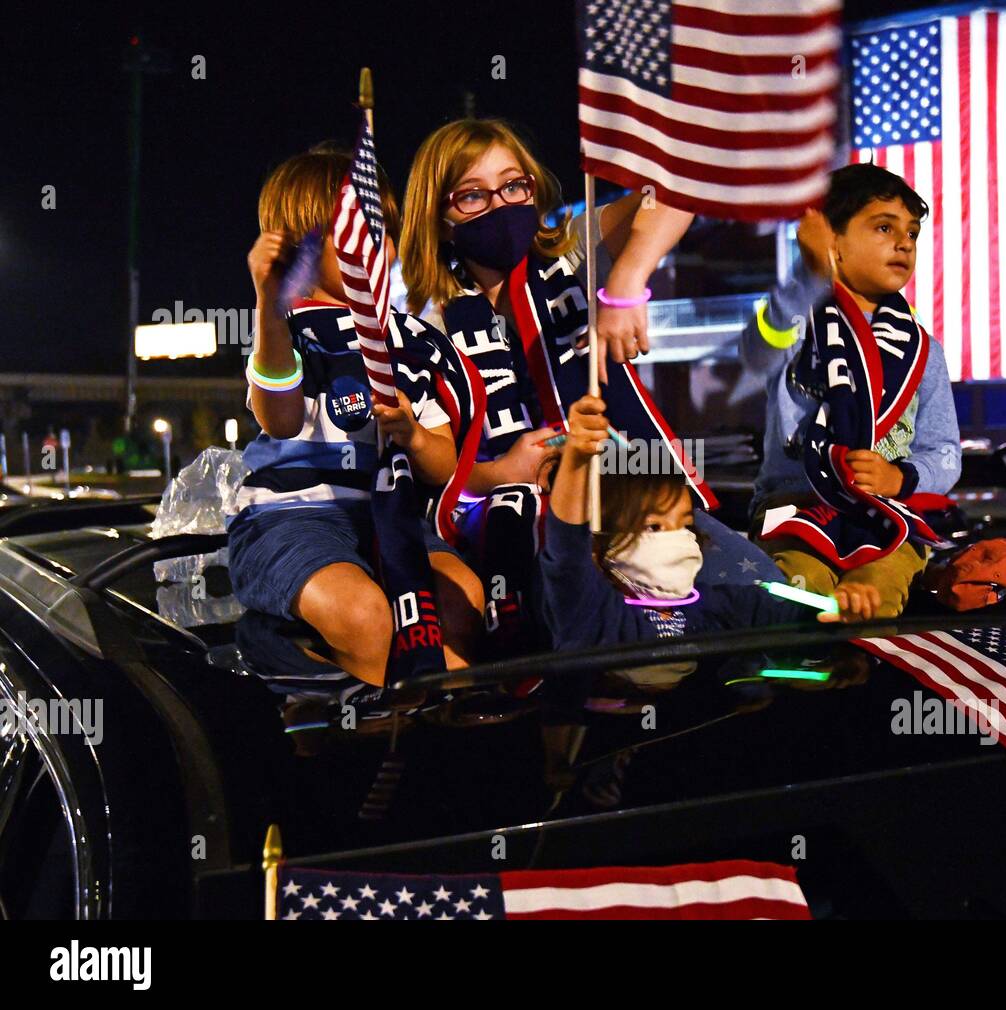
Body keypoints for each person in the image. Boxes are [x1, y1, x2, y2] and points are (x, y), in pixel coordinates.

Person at [398, 118, 781, 592]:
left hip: (636, 484)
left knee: (761, 590)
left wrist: (624, 283)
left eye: (514, 186)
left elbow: (682, 189)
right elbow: (436, 465)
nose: (501, 205)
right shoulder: (426, 320)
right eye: (473, 195)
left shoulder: (576, 250)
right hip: (520, 517)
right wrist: (502, 471)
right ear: (440, 217)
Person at [230, 146, 485, 685]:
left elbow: (444, 468)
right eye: (350, 233)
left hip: (391, 517)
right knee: (365, 616)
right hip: (289, 518)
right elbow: (277, 419)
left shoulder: (415, 339)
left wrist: (415, 437)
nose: (373, 247)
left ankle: (445, 732)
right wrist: (267, 304)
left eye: (380, 231)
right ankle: (363, 732)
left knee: (464, 601)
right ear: (298, 246)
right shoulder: (284, 330)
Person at [739, 164, 961, 618]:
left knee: (875, 594)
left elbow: (945, 451)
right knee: (796, 591)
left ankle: (854, 673)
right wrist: (809, 274)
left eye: (912, 234)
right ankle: (796, 678)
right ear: (832, 239)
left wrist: (903, 478)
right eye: (884, 227)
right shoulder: (798, 323)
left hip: (887, 516)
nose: (904, 243)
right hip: (794, 506)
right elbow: (757, 352)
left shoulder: (923, 350)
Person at [539, 395, 879, 652]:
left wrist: (844, 608)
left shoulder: (712, 607)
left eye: (685, 524)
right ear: (601, 543)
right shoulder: (591, 614)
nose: (679, 539)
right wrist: (576, 461)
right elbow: (567, 550)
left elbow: (795, 617)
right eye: (655, 527)